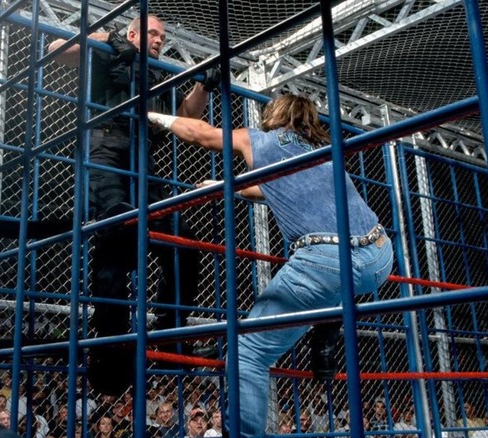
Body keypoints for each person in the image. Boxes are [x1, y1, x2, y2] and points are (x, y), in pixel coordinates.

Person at [147, 92, 394, 437]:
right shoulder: (322, 155)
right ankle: (327, 323)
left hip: (325, 262)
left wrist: (155, 116)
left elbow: (201, 133)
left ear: (274, 113)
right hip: (380, 254)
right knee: (333, 287)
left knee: (247, 352)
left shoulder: (258, 139)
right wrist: (227, 186)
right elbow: (271, 188)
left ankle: (323, 324)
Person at [48, 14, 218, 396]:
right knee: (116, 237)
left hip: (146, 163)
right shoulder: (112, 51)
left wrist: (204, 85)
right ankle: (111, 351)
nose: (159, 40)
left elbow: (188, 116)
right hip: (107, 152)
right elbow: (55, 49)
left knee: (184, 240)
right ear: (133, 33)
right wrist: (106, 39)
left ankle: (169, 331)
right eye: (152, 34)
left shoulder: (155, 70)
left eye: (162, 36)